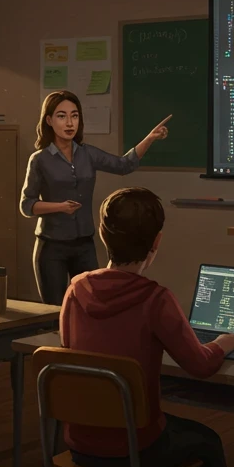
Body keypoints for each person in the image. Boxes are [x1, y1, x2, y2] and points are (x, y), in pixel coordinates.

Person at [59, 187, 234, 467]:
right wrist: (223, 343)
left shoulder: (76, 289)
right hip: (137, 448)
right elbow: (200, 366)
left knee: (174, 435)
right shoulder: (155, 299)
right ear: (156, 242)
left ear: (102, 234)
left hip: (79, 441)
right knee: (207, 442)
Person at [19, 89, 172, 305]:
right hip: (51, 246)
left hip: (84, 245)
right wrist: (60, 207)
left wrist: (150, 138)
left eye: (74, 115)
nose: (69, 122)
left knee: (92, 306)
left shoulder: (87, 154)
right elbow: (26, 205)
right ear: (49, 120)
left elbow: (123, 165)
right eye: (62, 116)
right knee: (53, 313)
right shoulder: (39, 160)